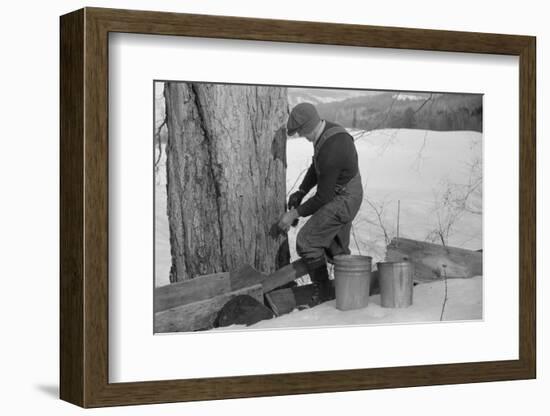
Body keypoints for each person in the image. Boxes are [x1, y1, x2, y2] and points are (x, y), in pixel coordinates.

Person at [277, 102, 363, 303]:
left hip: (345, 199)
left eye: (301, 132)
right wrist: (301, 191)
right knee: (336, 250)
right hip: (342, 193)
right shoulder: (327, 132)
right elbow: (316, 167)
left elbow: (323, 198)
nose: (302, 137)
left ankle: (324, 296)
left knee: (307, 242)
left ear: (307, 127)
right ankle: (348, 295)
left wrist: (294, 214)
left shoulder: (332, 149)